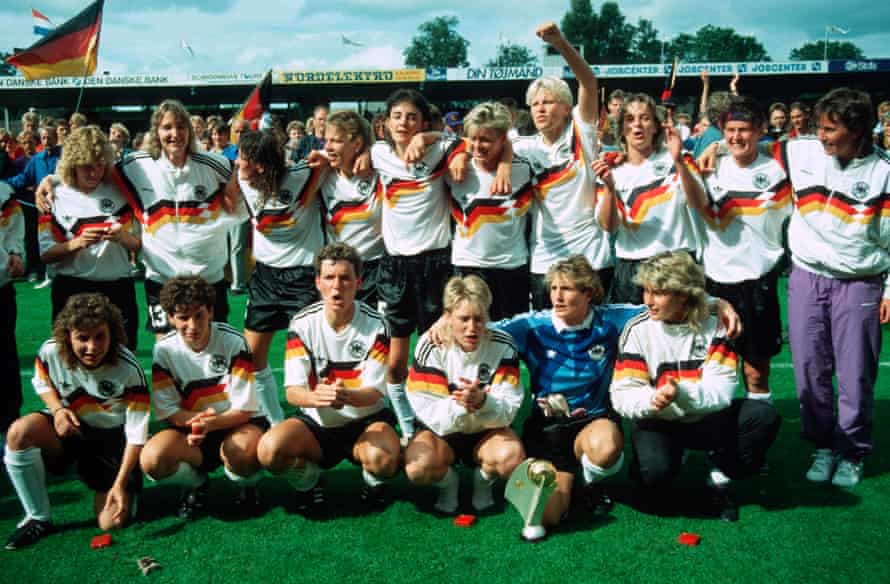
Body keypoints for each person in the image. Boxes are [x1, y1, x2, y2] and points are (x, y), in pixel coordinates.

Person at [611, 251, 780, 521]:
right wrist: (652, 400)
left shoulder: (715, 326)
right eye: (646, 291)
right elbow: (622, 393)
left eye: (659, 293)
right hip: (659, 420)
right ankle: (661, 461)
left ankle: (721, 472)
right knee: (654, 482)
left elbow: (722, 391)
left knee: (762, 417)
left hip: (706, 418)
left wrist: (681, 392)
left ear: (683, 294)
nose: (649, 301)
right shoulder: (637, 329)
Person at [776, 88, 890, 487]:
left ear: (857, 130)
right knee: (809, 369)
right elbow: (751, 150)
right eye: (820, 127)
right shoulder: (801, 151)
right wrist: (716, 151)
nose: (820, 136)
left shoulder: (884, 172)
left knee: (855, 372)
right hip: (806, 275)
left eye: (830, 129)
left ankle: (852, 451)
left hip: (859, 282)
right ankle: (823, 445)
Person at [258, 243, 399, 512]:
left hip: (365, 421)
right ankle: (309, 481)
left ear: (358, 282)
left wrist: (345, 396)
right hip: (317, 424)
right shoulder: (302, 323)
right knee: (270, 450)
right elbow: (292, 392)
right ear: (318, 283)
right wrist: (317, 398)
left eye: (345, 278)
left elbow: (375, 392)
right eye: (329, 278)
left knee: (385, 459)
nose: (337, 286)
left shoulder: (377, 325)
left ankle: (373, 482)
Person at [4, 293, 149, 549]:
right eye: (82, 338)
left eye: (99, 336)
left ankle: (117, 485)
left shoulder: (129, 369)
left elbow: (137, 434)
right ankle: (37, 517)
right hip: (72, 430)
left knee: (111, 523)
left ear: (112, 333)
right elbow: (41, 380)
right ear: (67, 336)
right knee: (19, 432)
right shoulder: (51, 351)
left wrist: (118, 483)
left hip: (111, 442)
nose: (91, 347)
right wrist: (58, 410)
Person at [371, 88, 469, 441]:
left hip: (437, 266)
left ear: (424, 121)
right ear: (385, 123)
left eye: (412, 117)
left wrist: (432, 138)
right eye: (397, 116)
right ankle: (409, 426)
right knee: (395, 362)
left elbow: (465, 138)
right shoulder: (378, 153)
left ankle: (440, 423)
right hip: (395, 269)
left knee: (439, 353)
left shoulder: (440, 149)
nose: (404, 123)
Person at [689, 97, 790, 401]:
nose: (736, 137)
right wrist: (715, 148)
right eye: (730, 130)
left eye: (744, 130)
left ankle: (756, 442)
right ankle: (716, 442)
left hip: (759, 280)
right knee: (711, 368)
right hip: (715, 282)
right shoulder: (708, 166)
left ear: (760, 130)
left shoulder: (780, 167)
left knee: (756, 372)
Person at [139, 276, 265, 519]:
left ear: (210, 311)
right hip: (193, 430)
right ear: (170, 318)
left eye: (199, 315)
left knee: (241, 452)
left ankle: (247, 486)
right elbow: (168, 412)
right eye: (183, 317)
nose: (193, 325)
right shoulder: (163, 351)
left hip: (236, 425)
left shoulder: (233, 342)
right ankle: (196, 483)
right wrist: (198, 424)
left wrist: (209, 423)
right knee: (153, 459)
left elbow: (244, 410)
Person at [405, 275, 524, 518]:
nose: (472, 327)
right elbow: (429, 414)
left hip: (487, 431)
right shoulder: (430, 345)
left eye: (479, 318)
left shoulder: (504, 345)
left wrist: (483, 401)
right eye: (464, 319)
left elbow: (510, 409)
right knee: (417, 467)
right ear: (447, 316)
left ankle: (483, 483)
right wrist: (463, 404)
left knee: (511, 458)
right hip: (442, 434)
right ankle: (449, 484)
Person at [514, 22, 612, 308]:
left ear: (567, 108)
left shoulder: (582, 133)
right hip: (545, 260)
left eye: (548, 102)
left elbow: (589, 82)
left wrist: (559, 43)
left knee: (593, 343)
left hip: (591, 257)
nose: (540, 108)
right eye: (534, 104)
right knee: (547, 346)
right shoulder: (522, 148)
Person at [231, 129, 325, 425]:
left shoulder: (301, 176)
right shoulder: (243, 182)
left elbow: (331, 161)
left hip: (304, 277)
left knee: (312, 359)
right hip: (265, 278)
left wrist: (324, 156)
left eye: (242, 159)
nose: (237, 165)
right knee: (253, 358)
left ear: (260, 164)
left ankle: (313, 422)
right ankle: (275, 422)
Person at [594, 93, 706, 304]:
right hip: (630, 267)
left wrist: (679, 162)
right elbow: (608, 226)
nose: (637, 125)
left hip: (675, 262)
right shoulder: (610, 169)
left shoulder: (678, 158)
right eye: (630, 119)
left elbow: (699, 204)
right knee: (633, 335)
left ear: (655, 126)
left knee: (680, 334)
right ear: (621, 129)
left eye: (645, 118)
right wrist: (609, 187)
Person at [38, 126, 141, 349]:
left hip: (118, 287)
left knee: (122, 356)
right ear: (73, 164)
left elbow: (139, 244)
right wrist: (78, 242)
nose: (94, 172)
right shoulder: (54, 197)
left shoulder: (122, 192)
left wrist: (122, 237)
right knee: (70, 360)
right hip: (72, 289)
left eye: (99, 165)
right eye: (86, 166)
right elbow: (45, 254)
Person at [449, 101, 535, 320]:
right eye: (474, 139)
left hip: (511, 268)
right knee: (471, 338)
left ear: (502, 140)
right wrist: (460, 153)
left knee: (511, 341)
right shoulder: (455, 169)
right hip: (469, 266)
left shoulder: (524, 169)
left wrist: (505, 165)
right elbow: (434, 139)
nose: (477, 146)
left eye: (486, 140)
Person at [319, 111, 385, 307]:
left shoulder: (380, 172)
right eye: (326, 140)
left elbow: (395, 148)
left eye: (336, 141)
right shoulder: (320, 174)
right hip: (338, 271)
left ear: (356, 144)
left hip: (377, 269)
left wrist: (370, 151)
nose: (328, 147)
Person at [5, 123, 61, 288]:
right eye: (44, 137)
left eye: (50, 137)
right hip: (44, 208)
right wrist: (4, 185)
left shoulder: (64, 157)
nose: (47, 140)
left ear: (56, 138)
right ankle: (48, 275)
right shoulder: (36, 159)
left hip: (65, 207)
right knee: (46, 240)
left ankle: (58, 275)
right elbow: (23, 179)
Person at [0, 181, 25, 433]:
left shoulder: (3, 192)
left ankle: (9, 426)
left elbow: (13, 229)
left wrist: (15, 252)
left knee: (4, 357)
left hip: (0, 288)